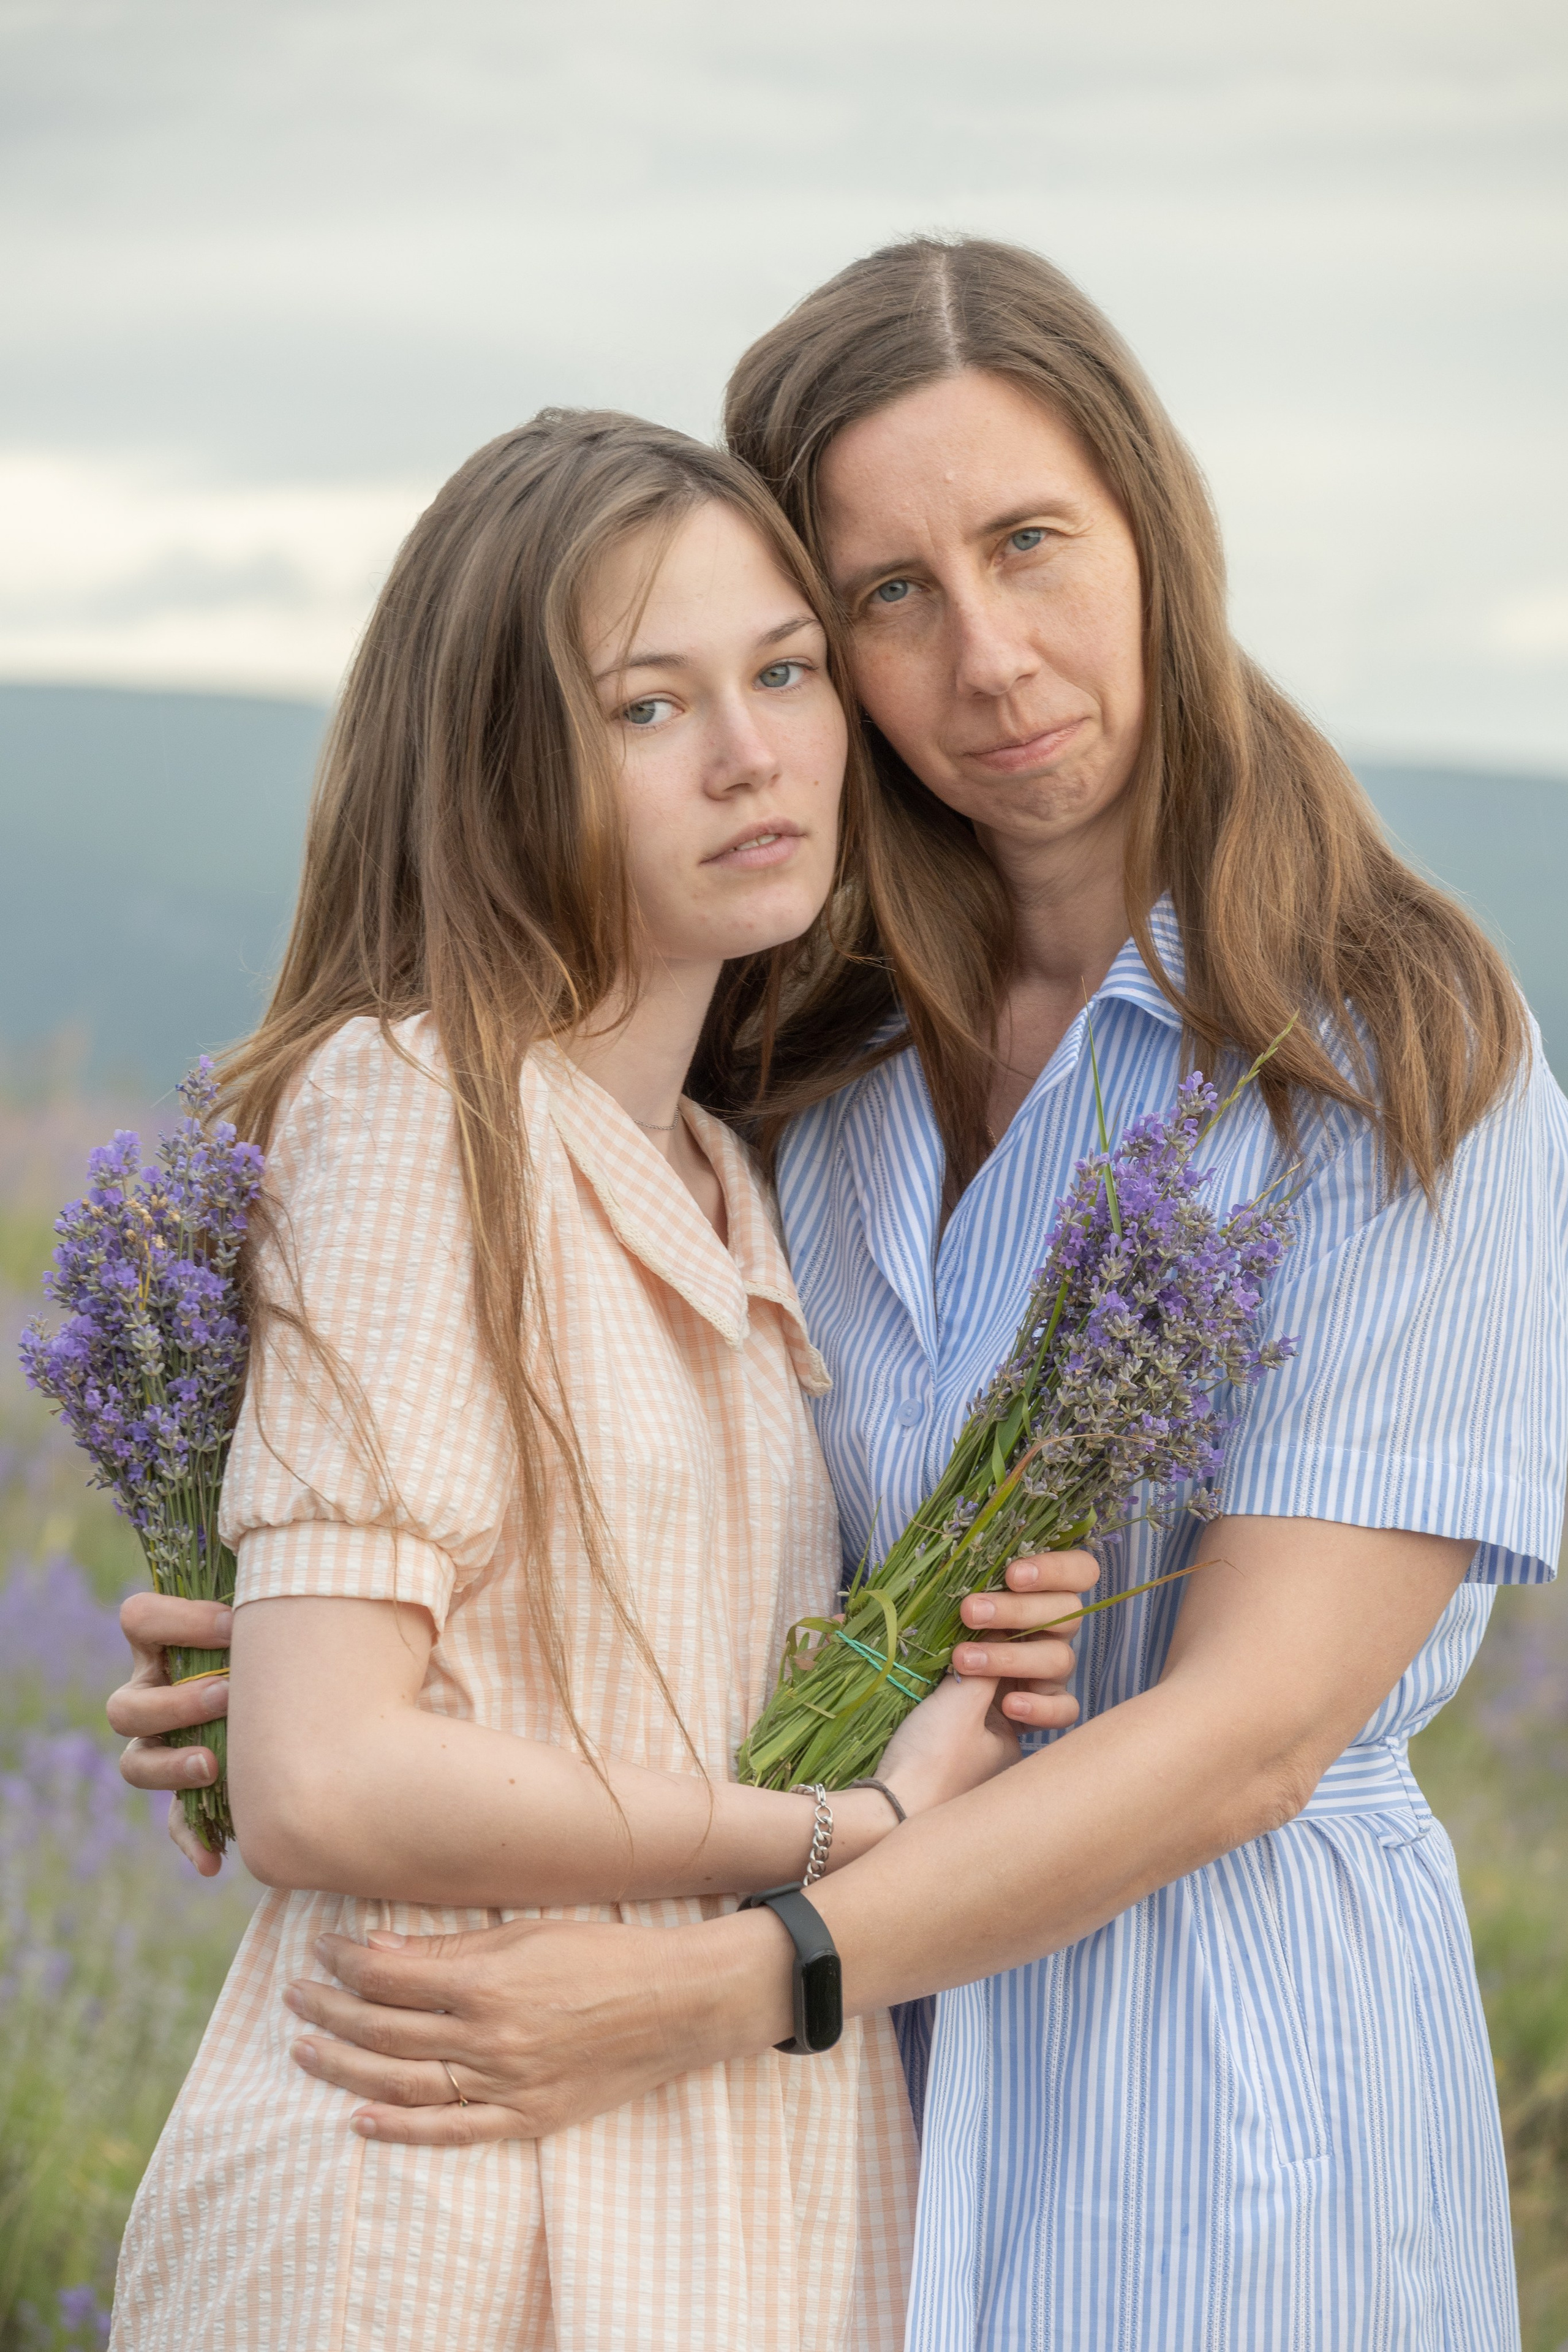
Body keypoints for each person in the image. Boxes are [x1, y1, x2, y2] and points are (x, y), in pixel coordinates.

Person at [113, 241, 1568, 2352]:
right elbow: (622, 1502)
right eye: (889, 596)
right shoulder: (802, 1058)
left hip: (1197, 2074)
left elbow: (1248, 1736)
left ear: (1155, 529)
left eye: (1033, 543)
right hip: (806, 2148)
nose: (990, 656)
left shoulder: (1398, 1049)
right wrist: (292, 1660)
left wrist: (739, 1971)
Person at [105, 408, 1057, 2352]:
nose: (751, 754)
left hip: (730, 2177)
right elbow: (325, 1773)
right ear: (501, 760)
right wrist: (836, 1839)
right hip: (444, 2187)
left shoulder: (730, 1168)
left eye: (785, 671)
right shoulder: (415, 1106)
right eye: (647, 707)